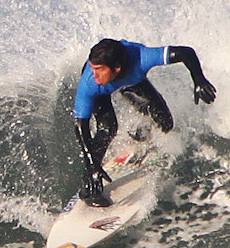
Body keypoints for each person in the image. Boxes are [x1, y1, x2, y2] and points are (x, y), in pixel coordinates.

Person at [73, 38, 216, 206]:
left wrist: (199, 79)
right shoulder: (91, 81)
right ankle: (89, 188)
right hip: (103, 89)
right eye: (93, 68)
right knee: (108, 128)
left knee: (165, 123)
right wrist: (91, 163)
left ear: (116, 68)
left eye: (99, 69)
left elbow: (186, 52)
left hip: (132, 80)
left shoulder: (142, 58)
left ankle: (141, 136)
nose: (94, 73)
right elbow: (81, 125)